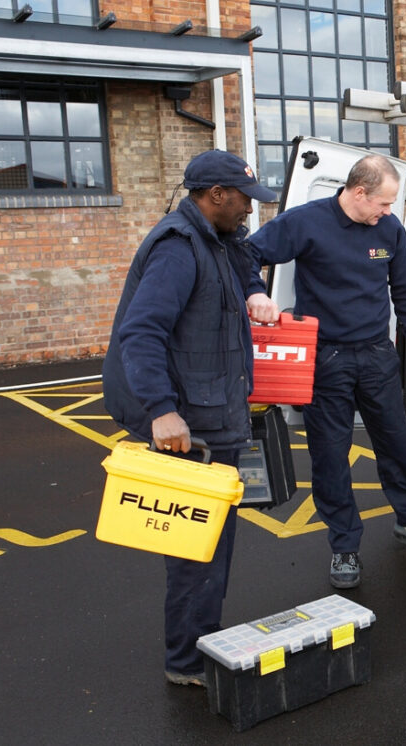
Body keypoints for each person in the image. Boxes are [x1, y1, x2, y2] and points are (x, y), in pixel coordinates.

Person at [246, 154, 406, 590]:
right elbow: (248, 253)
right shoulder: (306, 222)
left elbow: (404, 288)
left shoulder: (388, 230)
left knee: (396, 443)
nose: (388, 211)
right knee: (330, 455)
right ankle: (344, 545)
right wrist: (254, 291)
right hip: (326, 359)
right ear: (358, 192)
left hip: (377, 355)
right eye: (383, 202)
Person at [102, 149, 275, 687]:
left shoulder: (219, 238)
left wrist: (256, 292)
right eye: (244, 199)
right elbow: (142, 332)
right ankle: (187, 661)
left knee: (213, 545)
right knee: (194, 550)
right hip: (188, 427)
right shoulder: (178, 248)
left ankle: (203, 638)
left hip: (215, 412)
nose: (251, 209)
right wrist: (162, 411)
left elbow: (245, 261)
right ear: (215, 196)